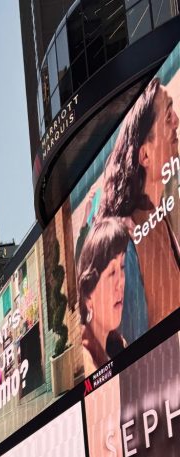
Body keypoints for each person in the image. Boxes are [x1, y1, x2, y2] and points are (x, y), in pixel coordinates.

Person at [97, 77, 180, 330]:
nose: (176, 120)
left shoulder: (160, 215)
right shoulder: (127, 243)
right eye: (167, 116)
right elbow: (138, 338)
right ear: (144, 154)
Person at [75, 217, 130, 375]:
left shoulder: (118, 344)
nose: (120, 283)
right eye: (112, 272)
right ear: (88, 296)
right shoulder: (85, 359)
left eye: (122, 266)